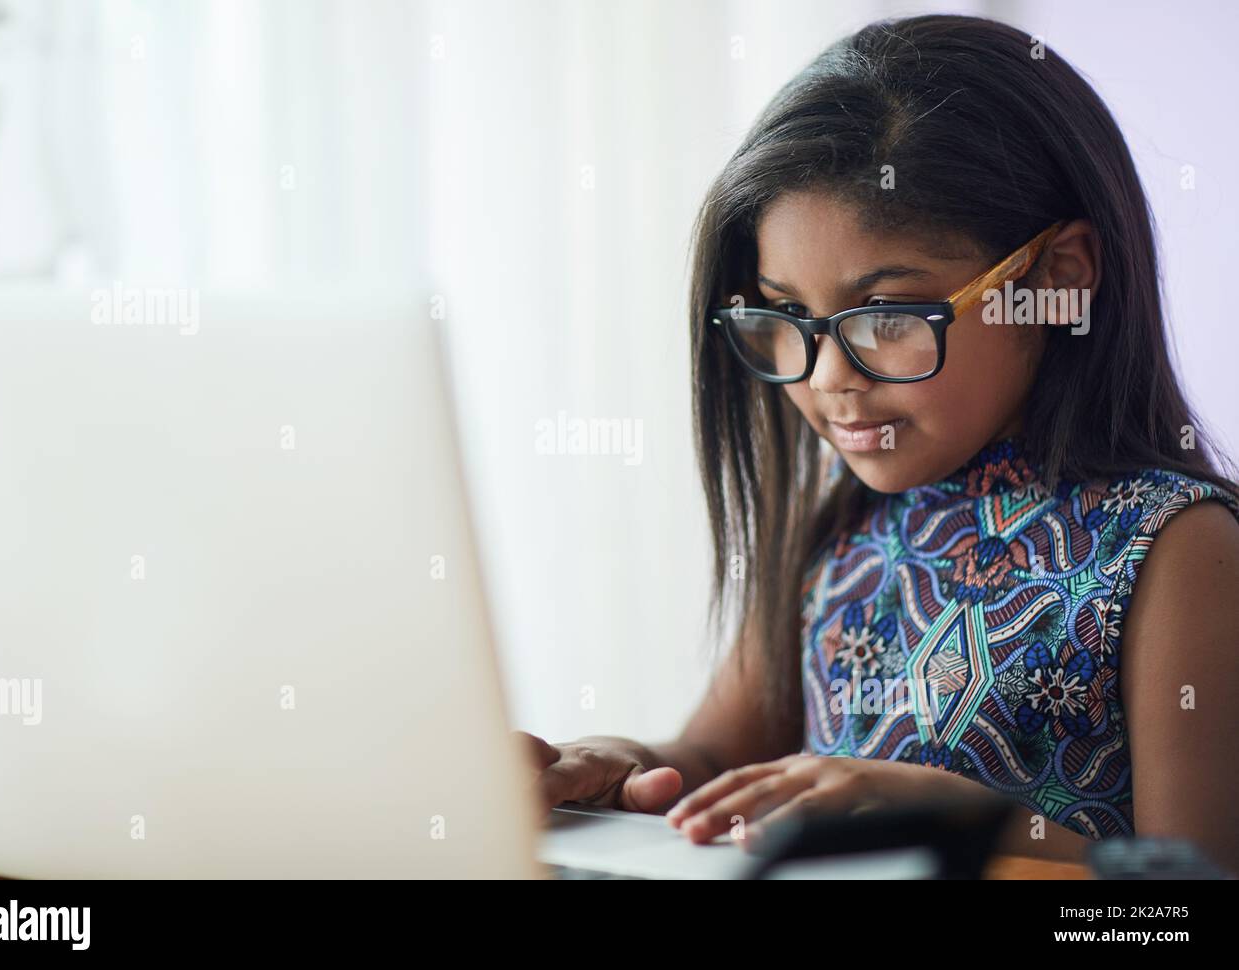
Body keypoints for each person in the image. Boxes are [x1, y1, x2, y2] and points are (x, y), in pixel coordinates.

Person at [521, 13, 1239, 872]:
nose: (826, 378)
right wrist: (618, 768)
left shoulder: (1177, 551)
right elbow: (711, 764)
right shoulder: (834, 535)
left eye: (889, 315)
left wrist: (964, 819)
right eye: (785, 318)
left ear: (1058, 281)